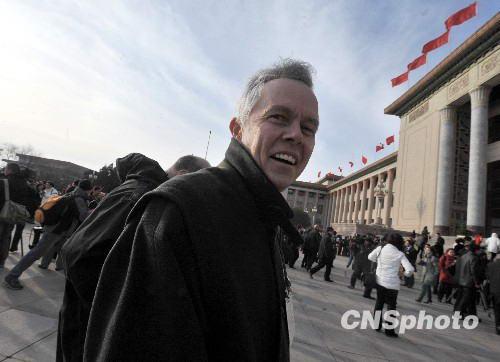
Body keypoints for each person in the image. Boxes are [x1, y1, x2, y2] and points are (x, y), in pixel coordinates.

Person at [84, 59, 319, 361]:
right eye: (278, 117)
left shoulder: (264, 216)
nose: (296, 134)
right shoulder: (178, 211)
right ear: (237, 128)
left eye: (308, 128)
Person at [57, 154, 210, 362]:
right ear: (183, 175)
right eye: (197, 183)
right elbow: (80, 254)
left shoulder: (146, 191)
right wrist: (113, 307)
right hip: (87, 319)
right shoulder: (142, 196)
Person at [3, 180, 92, 290]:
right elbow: (83, 216)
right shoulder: (79, 199)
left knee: (59, 251)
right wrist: (95, 210)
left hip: (58, 230)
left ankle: (69, 275)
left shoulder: (72, 194)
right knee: (36, 252)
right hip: (56, 230)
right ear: (88, 189)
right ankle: (12, 276)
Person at [368, 233, 414, 337]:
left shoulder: (380, 249)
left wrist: (379, 263)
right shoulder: (400, 254)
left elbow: (370, 257)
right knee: (391, 306)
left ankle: (376, 325)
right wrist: (403, 273)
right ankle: (389, 330)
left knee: (379, 303)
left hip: (380, 280)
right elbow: (410, 270)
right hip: (393, 283)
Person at [0, 163, 39, 269]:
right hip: (14, 215)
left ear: (10, 170)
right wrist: (27, 212)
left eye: (6, 169)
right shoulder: (26, 184)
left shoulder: (3, 181)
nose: (5, 170)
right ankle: (1, 261)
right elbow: (36, 200)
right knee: (6, 237)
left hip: (1, 213)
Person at [453, 240, 479, 319]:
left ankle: (472, 315)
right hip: (468, 281)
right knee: (465, 299)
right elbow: (473, 271)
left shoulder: (463, 256)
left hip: (461, 280)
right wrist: (476, 282)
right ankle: (457, 314)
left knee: (467, 298)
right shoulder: (473, 257)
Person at [487, 258, 500, 334]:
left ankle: (498, 327)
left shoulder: (490, 265)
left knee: (497, 310)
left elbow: (487, 277)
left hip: (494, 291)